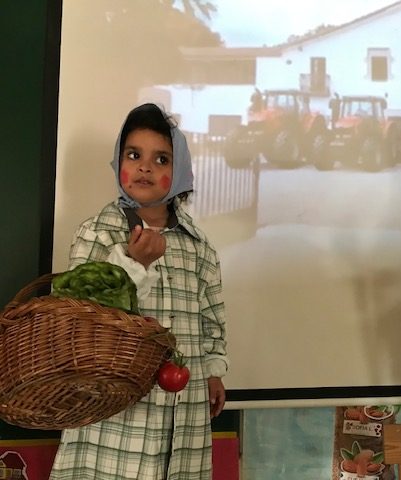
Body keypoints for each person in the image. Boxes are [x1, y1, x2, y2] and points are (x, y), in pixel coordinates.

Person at [49, 103, 229, 479]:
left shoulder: (197, 245)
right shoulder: (98, 233)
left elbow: (211, 316)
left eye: (161, 159)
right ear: (119, 163)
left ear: (179, 173)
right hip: (117, 407)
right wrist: (134, 263)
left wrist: (213, 371)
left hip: (184, 408)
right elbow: (81, 319)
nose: (145, 167)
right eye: (134, 155)